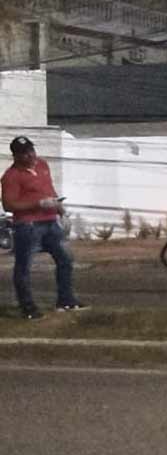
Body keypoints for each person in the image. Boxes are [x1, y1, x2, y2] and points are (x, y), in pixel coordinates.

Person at [0, 136, 86, 319]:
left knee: (65, 259)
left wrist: (61, 211)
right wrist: (38, 204)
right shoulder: (11, 176)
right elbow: (9, 205)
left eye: (31, 150)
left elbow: (49, 191)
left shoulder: (42, 165)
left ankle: (66, 300)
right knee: (24, 266)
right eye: (25, 153)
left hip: (50, 221)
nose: (30, 155)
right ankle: (28, 307)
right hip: (28, 225)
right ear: (16, 156)